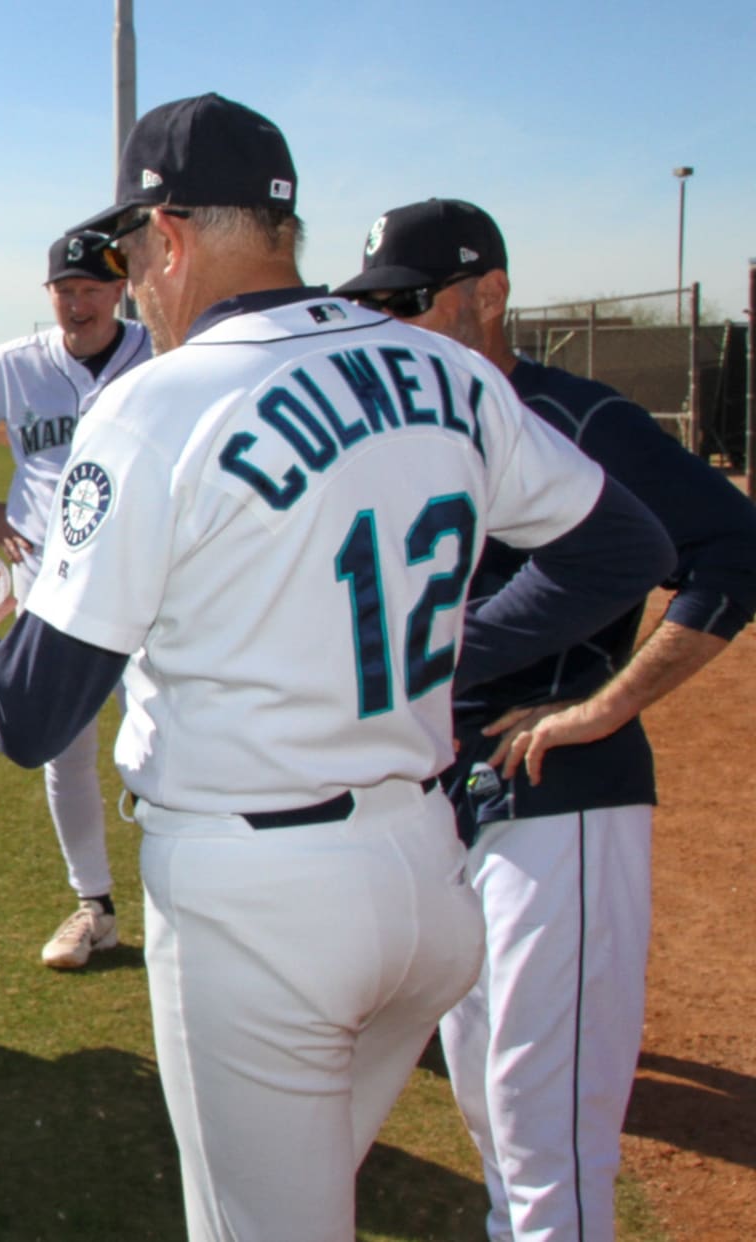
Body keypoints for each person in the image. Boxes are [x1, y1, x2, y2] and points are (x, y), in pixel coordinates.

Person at [0, 93, 672, 1241]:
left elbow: (31, 715)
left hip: (259, 901)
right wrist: (445, 656)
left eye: (131, 256)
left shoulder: (153, 405)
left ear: (168, 238)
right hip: (431, 881)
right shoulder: (448, 372)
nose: (132, 285)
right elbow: (624, 548)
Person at [336, 198, 756, 1241]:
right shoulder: (399, 433)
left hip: (556, 797)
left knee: (544, 1117)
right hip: (438, 798)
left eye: (409, 300)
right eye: (374, 305)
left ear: (489, 296)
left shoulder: (579, 418)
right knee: (482, 1091)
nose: (390, 323)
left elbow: (733, 548)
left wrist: (610, 704)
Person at [0, 232, 152, 969]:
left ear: (119, 289)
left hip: (154, 583)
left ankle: (198, 900)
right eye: (66, 289)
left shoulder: (162, 354)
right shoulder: (20, 364)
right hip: (52, 583)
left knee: (168, 739)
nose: (79, 302)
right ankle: (96, 905)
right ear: (48, 293)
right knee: (64, 748)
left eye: (93, 288)